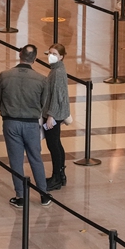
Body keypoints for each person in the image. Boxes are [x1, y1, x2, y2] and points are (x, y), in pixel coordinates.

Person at [0, 44, 52, 209]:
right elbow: (44, 102)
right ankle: (44, 194)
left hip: (10, 122)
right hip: (31, 124)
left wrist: (6, 112)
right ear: (34, 59)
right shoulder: (41, 79)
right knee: (36, 158)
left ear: (20, 55)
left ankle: (20, 196)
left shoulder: (5, 76)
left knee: (16, 160)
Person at [41, 43, 71, 191]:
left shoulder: (57, 72)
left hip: (54, 114)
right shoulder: (56, 69)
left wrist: (51, 116)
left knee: (54, 146)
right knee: (56, 144)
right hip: (55, 112)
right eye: (49, 53)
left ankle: (56, 178)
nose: (50, 56)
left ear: (61, 57)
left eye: (54, 54)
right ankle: (60, 175)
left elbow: (57, 95)